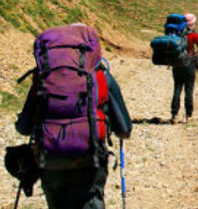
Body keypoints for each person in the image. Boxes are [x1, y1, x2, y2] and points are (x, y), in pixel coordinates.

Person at [15, 24, 133, 209]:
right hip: (89, 159)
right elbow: (125, 130)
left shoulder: (43, 79)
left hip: (50, 160)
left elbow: (23, 128)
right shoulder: (101, 77)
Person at [171, 13, 198, 124]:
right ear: (191, 24)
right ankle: (188, 115)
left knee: (177, 89)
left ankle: (174, 115)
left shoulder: (176, 34)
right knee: (189, 90)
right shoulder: (193, 36)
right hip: (189, 65)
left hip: (177, 64)